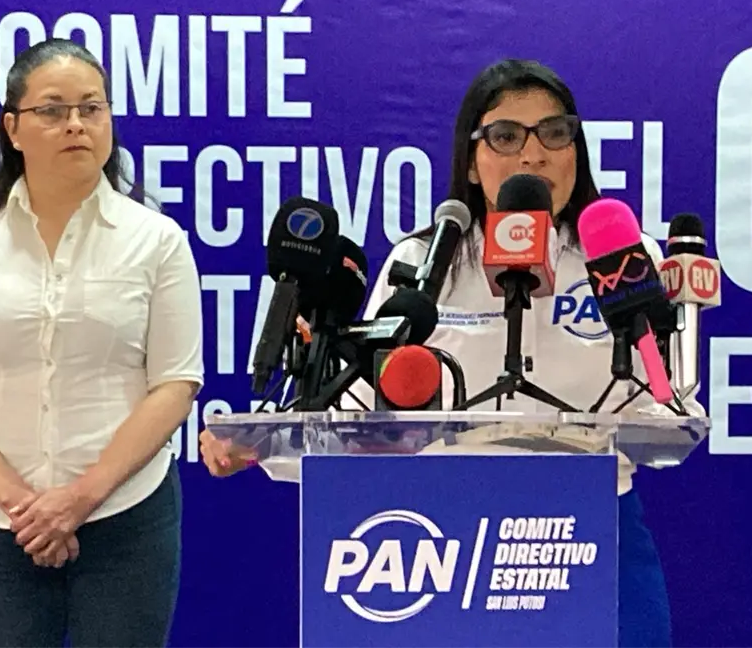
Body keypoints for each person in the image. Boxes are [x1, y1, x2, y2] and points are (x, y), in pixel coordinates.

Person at [200, 58, 700, 647]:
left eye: (554, 133)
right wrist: (262, 445)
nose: (532, 155)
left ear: (576, 149)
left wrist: (669, 408)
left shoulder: (624, 258)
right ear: (470, 159)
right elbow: (360, 410)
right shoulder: (422, 263)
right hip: (447, 537)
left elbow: (663, 406)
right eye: (506, 136)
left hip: (593, 530)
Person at [0, 38, 204, 648]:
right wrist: (22, 505)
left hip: (126, 516)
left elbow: (175, 383)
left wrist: (78, 499)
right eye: (53, 110)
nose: (75, 125)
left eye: (92, 108)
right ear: (13, 129)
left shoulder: (157, 241)